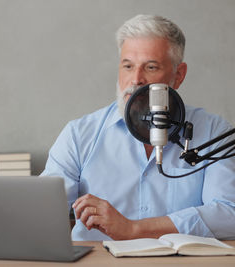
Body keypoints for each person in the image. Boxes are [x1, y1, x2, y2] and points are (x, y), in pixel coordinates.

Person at [41, 14, 235, 241]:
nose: (136, 79)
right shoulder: (79, 135)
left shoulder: (214, 133)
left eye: (151, 67)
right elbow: (39, 215)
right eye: (127, 66)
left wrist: (133, 229)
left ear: (178, 75)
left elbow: (229, 213)